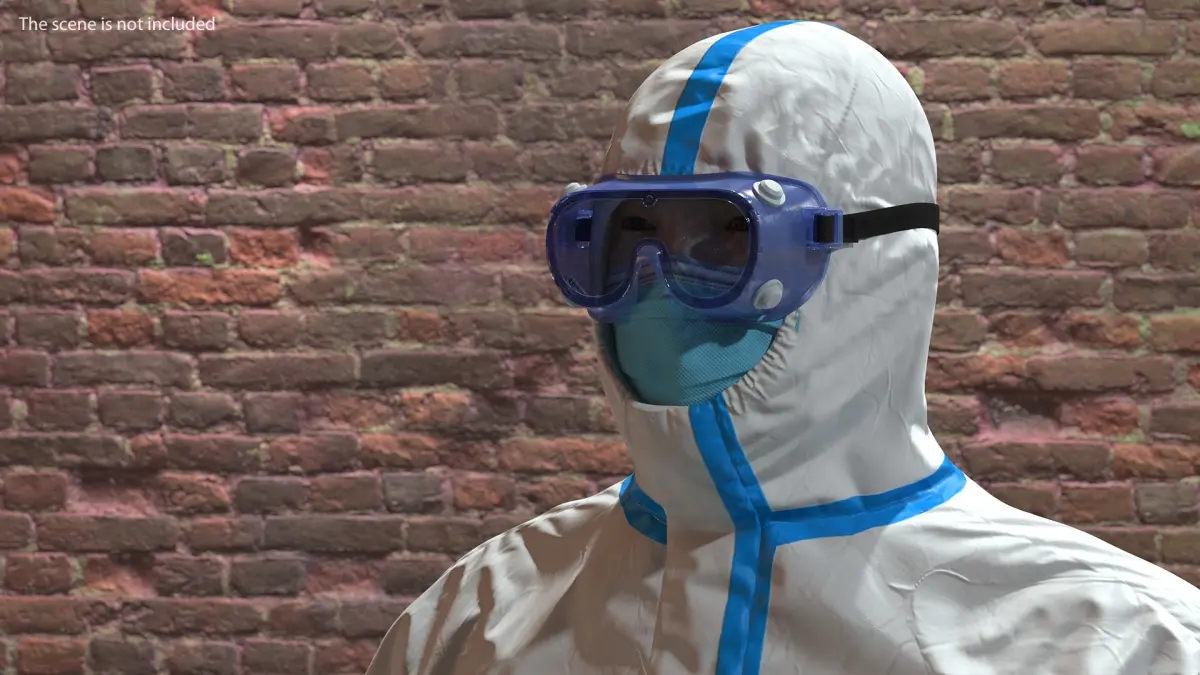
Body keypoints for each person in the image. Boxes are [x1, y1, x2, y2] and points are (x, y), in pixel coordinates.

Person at [365, 21, 1200, 675]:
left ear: (880, 265)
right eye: (629, 233)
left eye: (728, 237)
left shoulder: (1115, 642)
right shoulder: (478, 615)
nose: (658, 284)